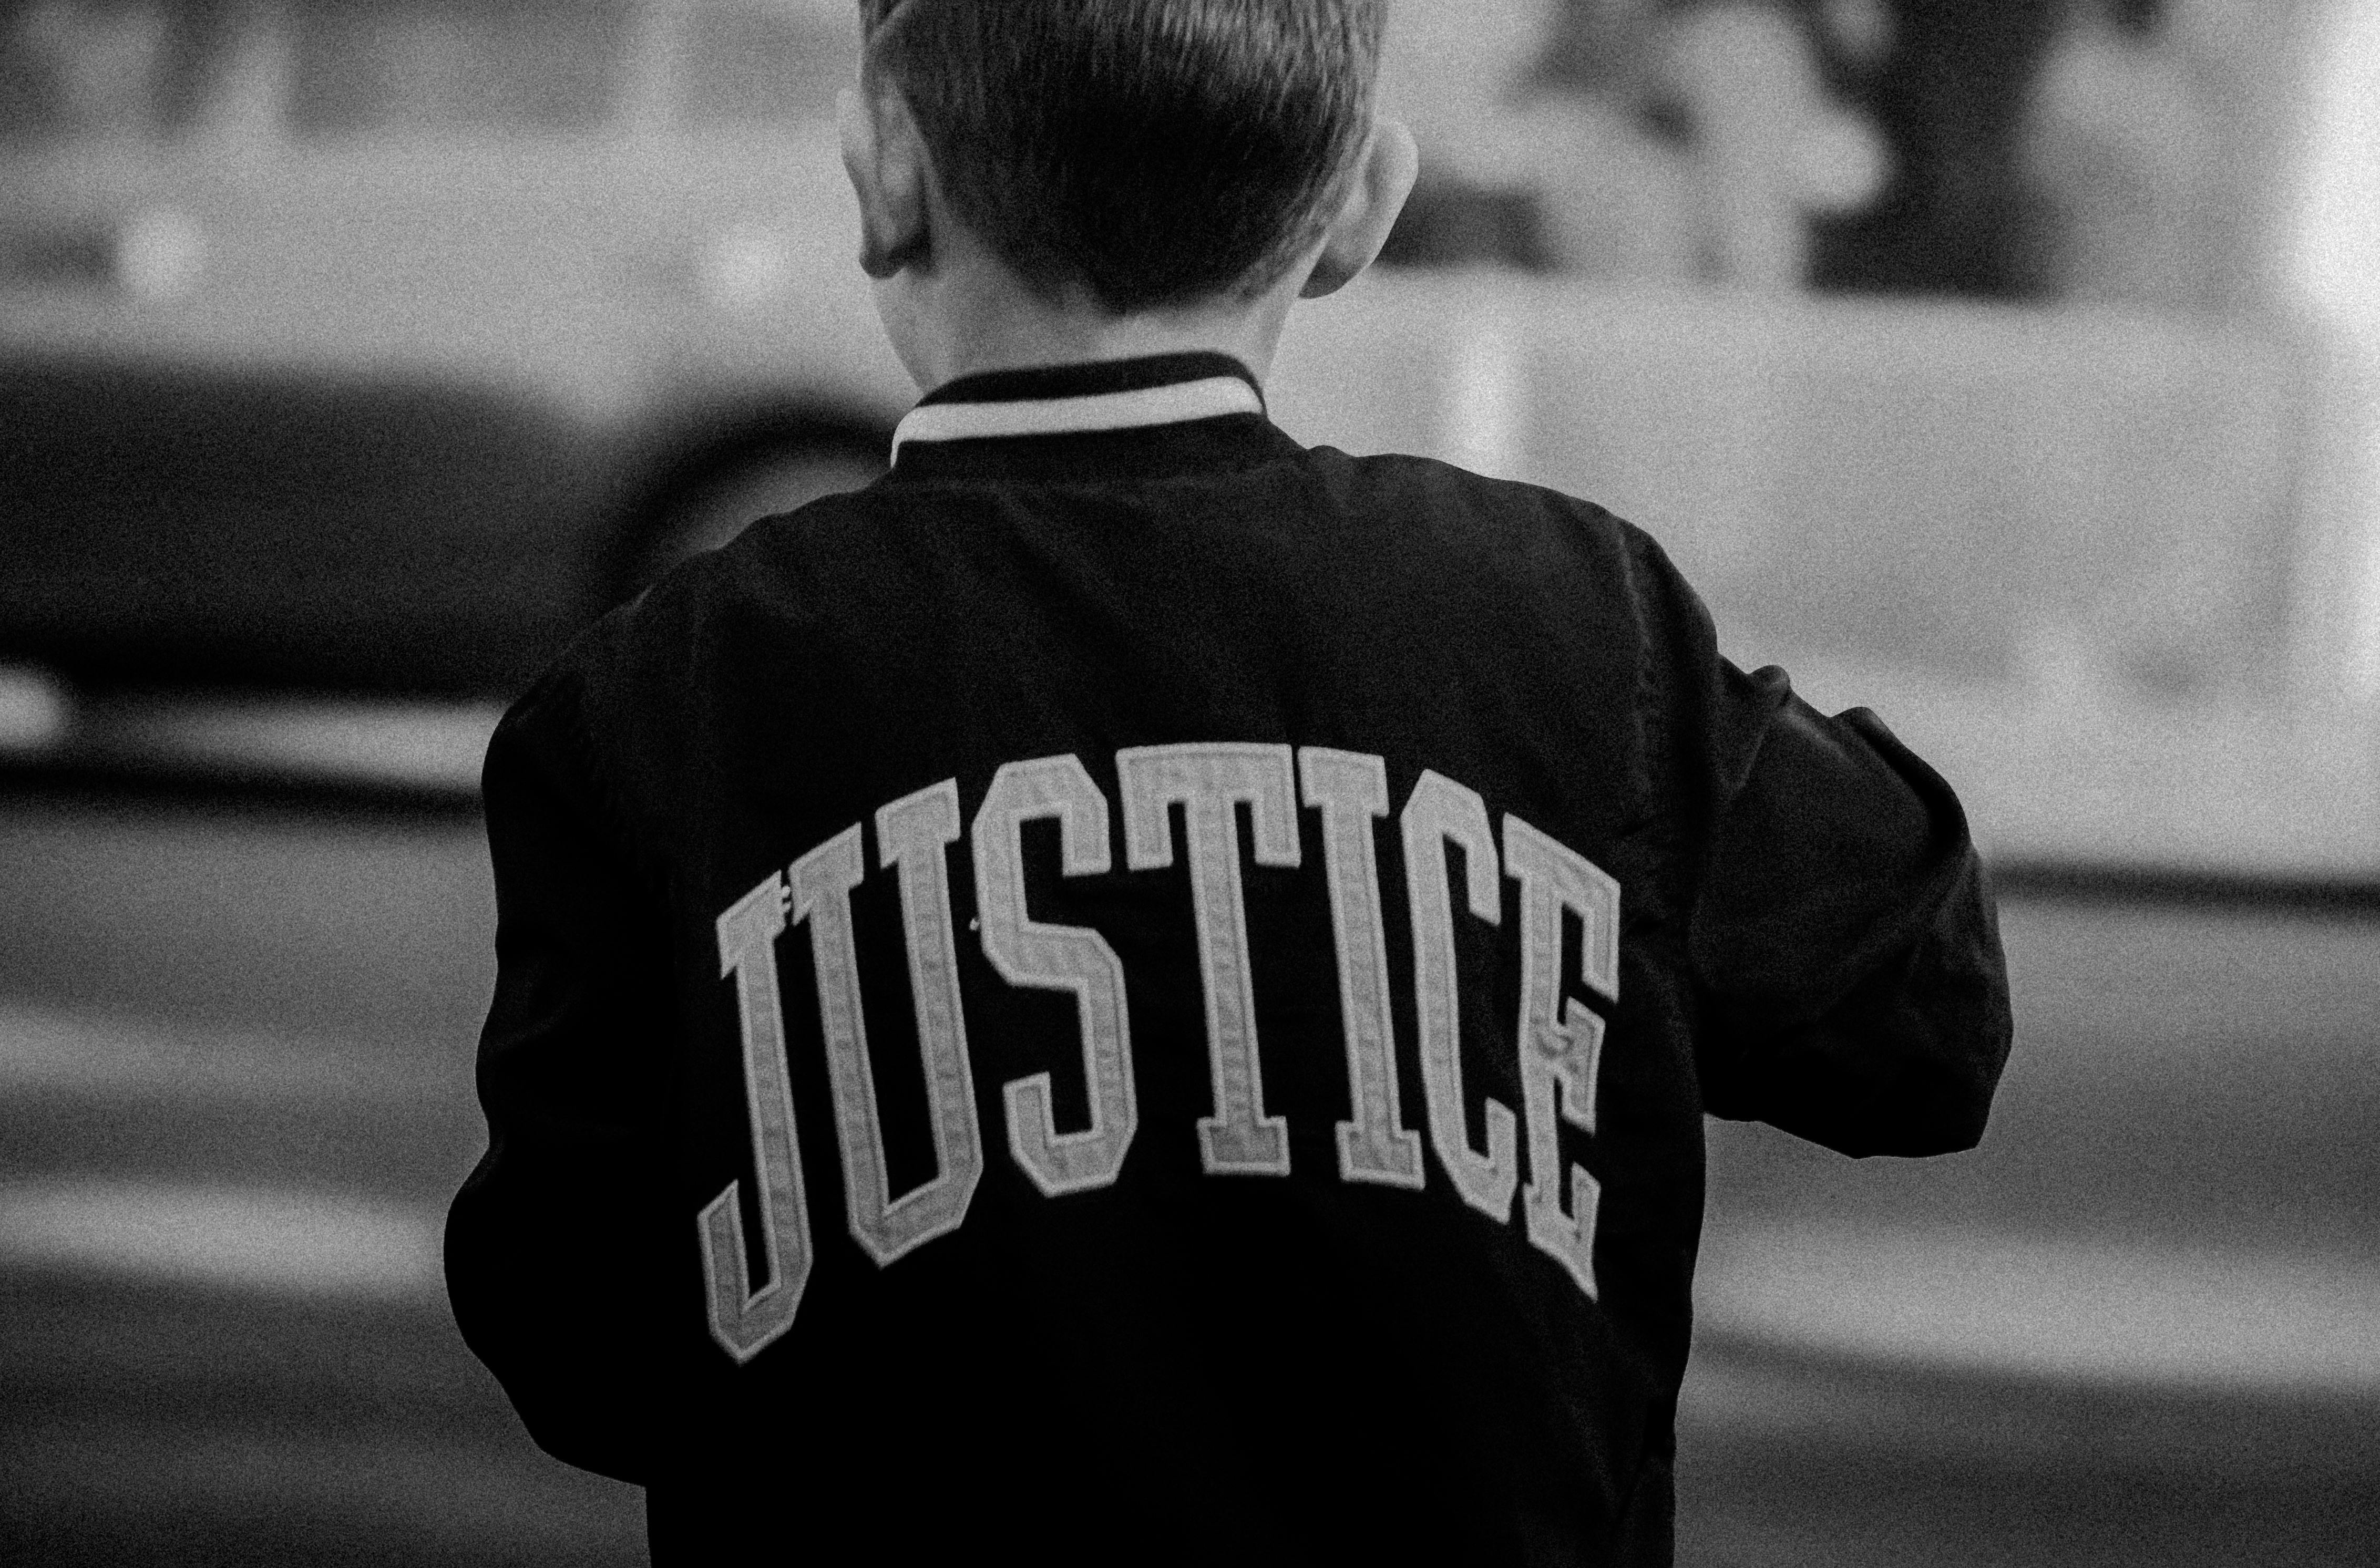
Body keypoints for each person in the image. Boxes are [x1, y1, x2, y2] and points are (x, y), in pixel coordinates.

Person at [444, 1, 2013, 1562]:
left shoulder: (659, 703)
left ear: (885, 173)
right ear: (1357, 209)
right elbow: (1925, 1017)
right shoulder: (1571, 626)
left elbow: (574, 1333)